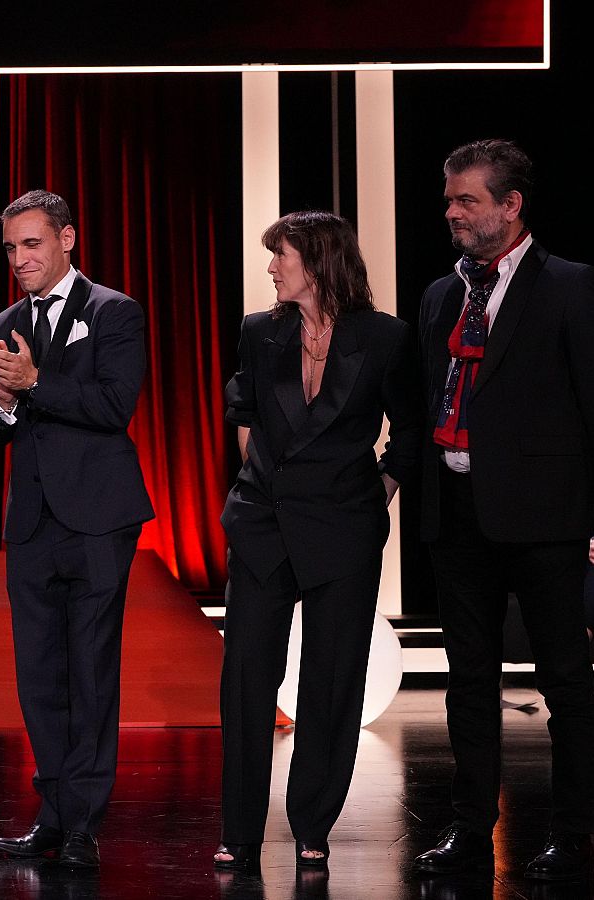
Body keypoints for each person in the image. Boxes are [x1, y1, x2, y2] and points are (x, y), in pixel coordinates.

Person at [210, 211, 421, 871]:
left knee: (332, 683)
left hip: (343, 528)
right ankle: (240, 830)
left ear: (320, 262)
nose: (272, 268)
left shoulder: (385, 339)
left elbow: (410, 431)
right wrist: (262, 483)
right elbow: (242, 413)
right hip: (264, 525)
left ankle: (312, 825)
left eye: (283, 256)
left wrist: (376, 491)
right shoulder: (258, 331)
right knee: (247, 680)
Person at [410, 139, 594, 882]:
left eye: (468, 201)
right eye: (450, 200)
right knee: (468, 682)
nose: (452, 212)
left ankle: (572, 835)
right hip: (457, 517)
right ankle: (468, 829)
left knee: (566, 683)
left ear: (511, 206)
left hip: (547, 522)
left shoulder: (572, 287)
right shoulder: (439, 294)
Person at [0, 189, 154, 870]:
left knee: (91, 673)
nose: (20, 259)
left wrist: (35, 381)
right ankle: (53, 813)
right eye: (11, 248)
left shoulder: (114, 311)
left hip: (100, 521)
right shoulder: (1, 321)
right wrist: (3, 399)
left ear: (67, 239)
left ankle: (83, 822)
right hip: (32, 522)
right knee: (39, 675)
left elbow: (114, 404)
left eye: (33, 244)